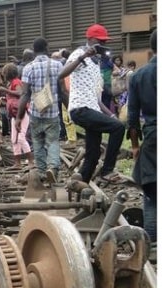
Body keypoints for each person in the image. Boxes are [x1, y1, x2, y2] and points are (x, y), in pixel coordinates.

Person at [59, 23, 125, 184]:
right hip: (81, 108)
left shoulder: (98, 64)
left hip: (91, 108)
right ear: (90, 39)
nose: (103, 44)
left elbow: (96, 98)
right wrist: (83, 56)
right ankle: (108, 170)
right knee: (118, 128)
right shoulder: (80, 53)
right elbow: (61, 74)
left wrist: (111, 114)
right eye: (99, 41)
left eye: (104, 42)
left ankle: (81, 185)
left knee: (93, 154)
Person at [17, 37, 63, 183]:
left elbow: (25, 95)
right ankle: (53, 168)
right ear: (47, 47)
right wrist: (70, 109)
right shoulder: (58, 65)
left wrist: (19, 117)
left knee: (37, 142)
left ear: (33, 49)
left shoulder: (28, 68)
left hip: (36, 112)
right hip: (53, 111)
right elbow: (63, 91)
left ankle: (42, 172)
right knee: (53, 141)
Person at [127, 29, 156, 243]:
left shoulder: (138, 76)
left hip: (153, 137)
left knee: (152, 194)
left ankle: (153, 243)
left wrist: (135, 146)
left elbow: (132, 116)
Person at [0, 63, 34, 169]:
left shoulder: (16, 82)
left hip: (21, 113)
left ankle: (31, 161)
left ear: (7, 73)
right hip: (14, 114)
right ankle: (17, 163)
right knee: (14, 139)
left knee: (21, 138)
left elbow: (20, 93)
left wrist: (6, 91)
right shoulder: (11, 83)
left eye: (4, 73)